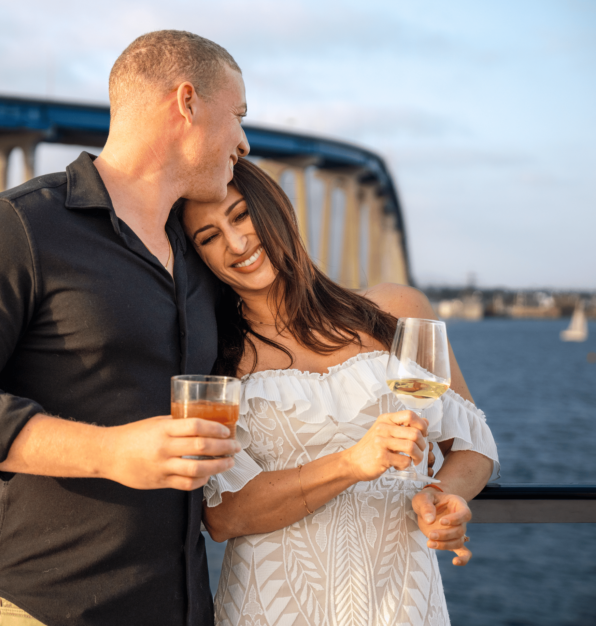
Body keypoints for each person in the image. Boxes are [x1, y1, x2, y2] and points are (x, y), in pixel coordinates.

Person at [0, 30, 250, 626]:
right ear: (187, 102)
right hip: (42, 608)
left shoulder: (200, 258)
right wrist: (112, 452)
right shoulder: (16, 225)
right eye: (239, 115)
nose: (244, 141)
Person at [180, 158, 500, 626]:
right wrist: (352, 462)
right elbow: (224, 517)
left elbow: (473, 445)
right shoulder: (214, 358)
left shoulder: (398, 311)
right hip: (271, 609)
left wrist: (444, 496)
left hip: (402, 603)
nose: (235, 243)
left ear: (277, 210)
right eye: (208, 238)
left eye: (242, 215)